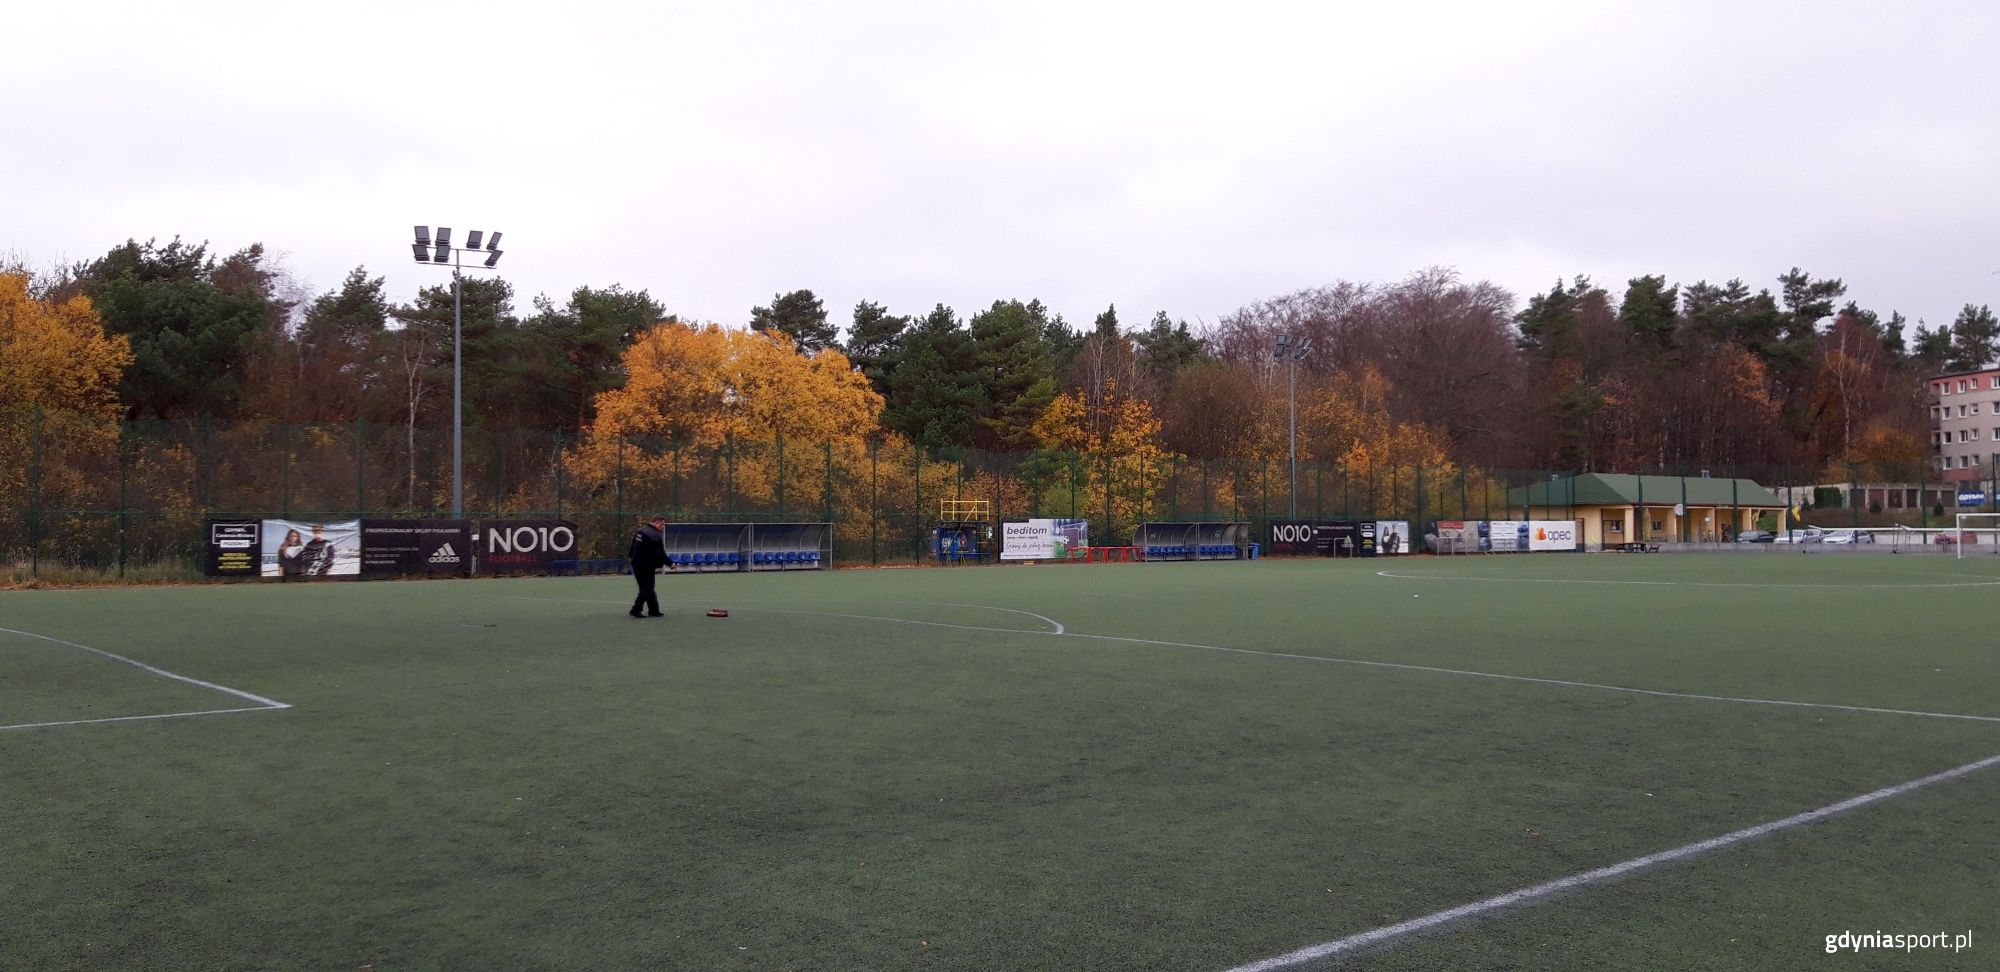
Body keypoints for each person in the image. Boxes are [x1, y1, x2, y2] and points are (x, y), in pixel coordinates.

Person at [627, 514, 672, 618]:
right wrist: (670, 563)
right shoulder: (655, 535)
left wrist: (631, 558)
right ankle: (635, 610)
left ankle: (654, 610)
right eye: (662, 524)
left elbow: (633, 546)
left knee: (647, 588)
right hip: (646, 565)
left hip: (636, 564)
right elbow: (660, 553)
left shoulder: (641, 531)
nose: (663, 527)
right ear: (657, 522)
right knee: (647, 588)